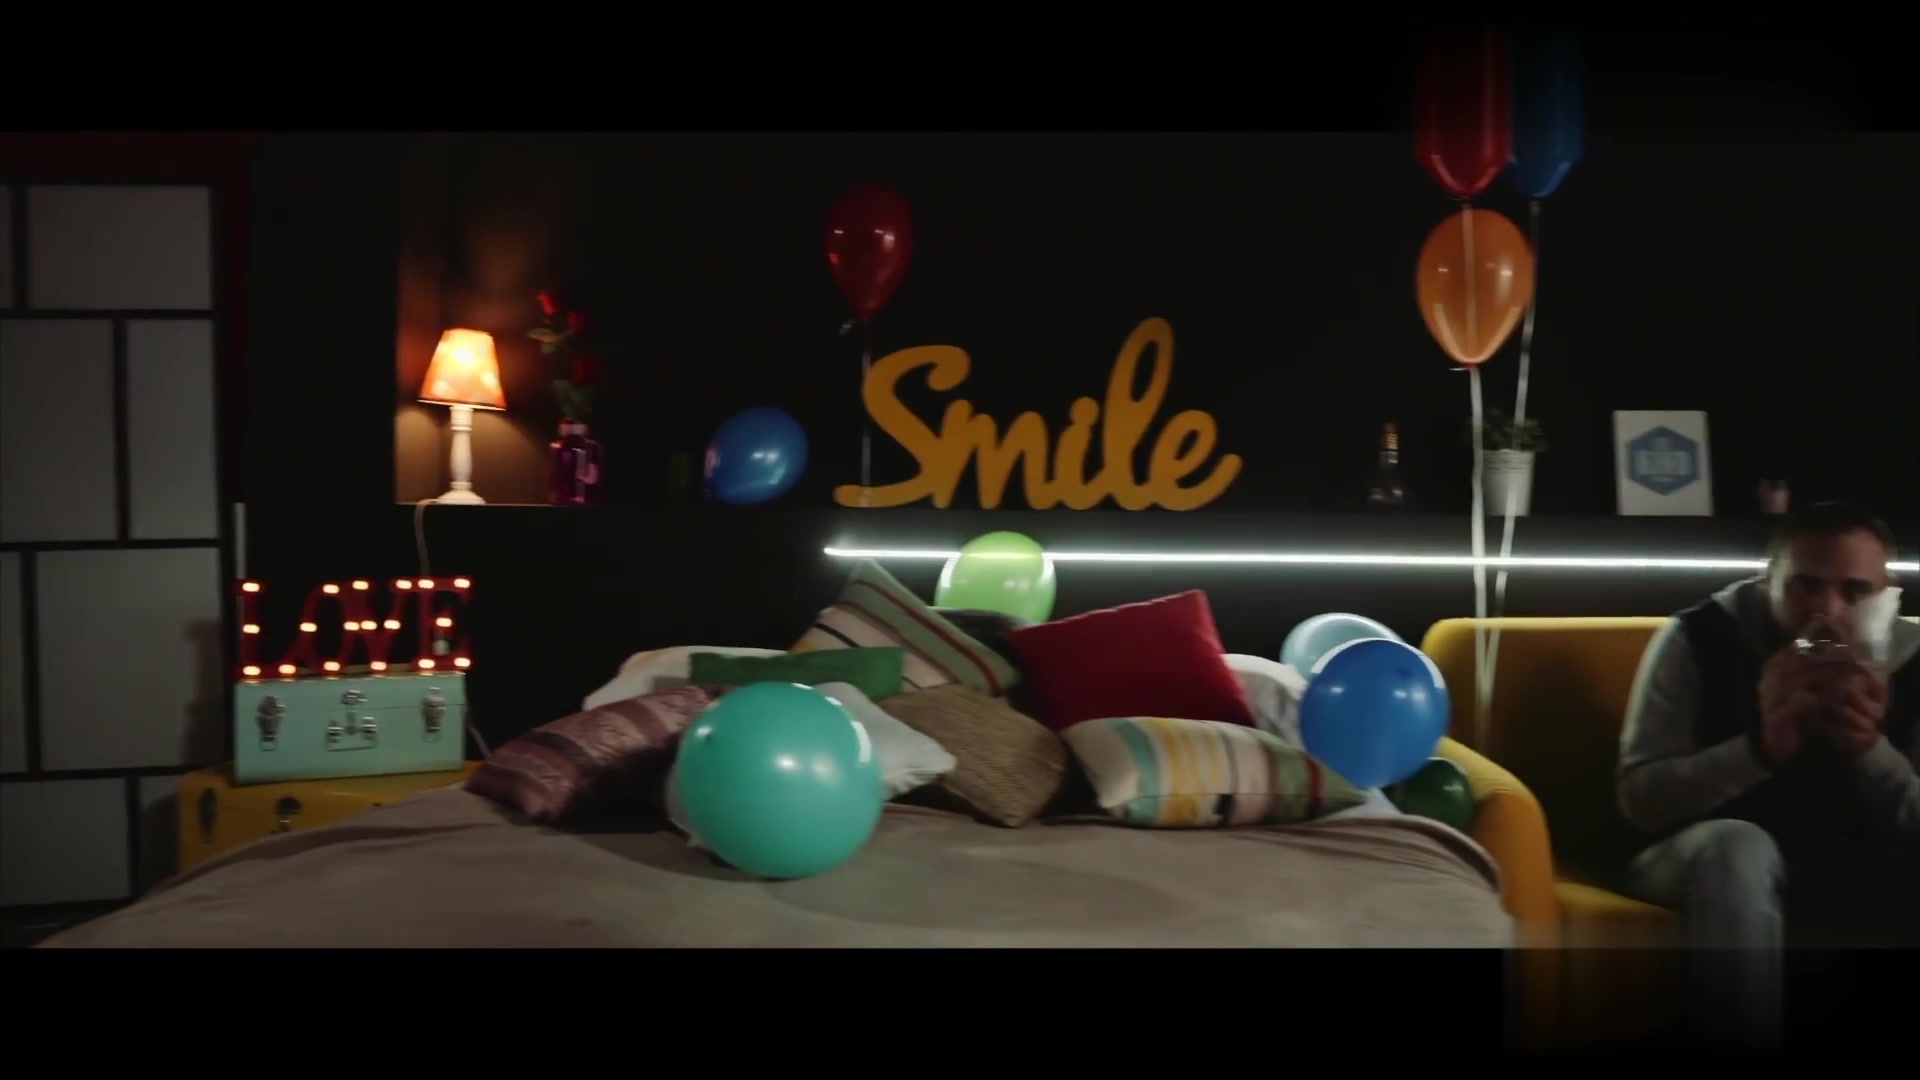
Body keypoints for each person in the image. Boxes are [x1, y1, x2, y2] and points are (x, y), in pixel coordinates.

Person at [1616, 501, 1919, 1051]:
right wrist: (1759, 751)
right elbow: (1639, 801)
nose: (1826, 611)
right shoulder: (1698, 637)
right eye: (1806, 585)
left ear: (1886, 594)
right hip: (1698, 857)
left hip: (1854, 862)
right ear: (1767, 581)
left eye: (1854, 591)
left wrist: (1869, 750)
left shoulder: (1913, 660)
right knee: (1739, 847)